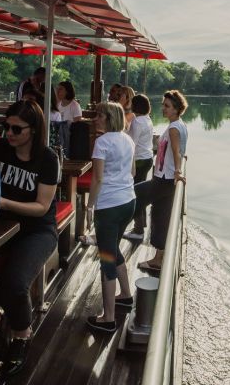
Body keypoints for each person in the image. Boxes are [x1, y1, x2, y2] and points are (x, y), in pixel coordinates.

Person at [0, 100, 59, 375]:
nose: (10, 134)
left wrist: (4, 202)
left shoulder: (47, 158)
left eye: (17, 129)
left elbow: (42, 206)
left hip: (37, 230)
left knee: (15, 284)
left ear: (34, 129)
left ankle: (21, 333)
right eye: (6, 127)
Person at [86, 101, 136, 334]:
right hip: (129, 201)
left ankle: (108, 318)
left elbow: (97, 180)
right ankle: (125, 295)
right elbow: (133, 172)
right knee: (113, 249)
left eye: (99, 115)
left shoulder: (102, 142)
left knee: (106, 259)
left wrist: (89, 206)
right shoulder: (128, 140)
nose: (96, 118)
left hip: (108, 206)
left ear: (108, 118)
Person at [135, 90, 188, 272]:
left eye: (167, 106)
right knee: (160, 216)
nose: (163, 108)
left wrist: (178, 171)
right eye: (163, 105)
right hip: (164, 178)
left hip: (165, 179)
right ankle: (159, 258)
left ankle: (119, 233)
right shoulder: (179, 125)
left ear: (176, 109)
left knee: (133, 195)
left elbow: (176, 151)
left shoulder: (173, 128)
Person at [123, 94, 154, 241]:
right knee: (140, 193)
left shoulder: (137, 122)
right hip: (147, 158)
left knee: (136, 194)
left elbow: (131, 144)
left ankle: (138, 229)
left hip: (139, 160)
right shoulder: (147, 119)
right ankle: (141, 225)